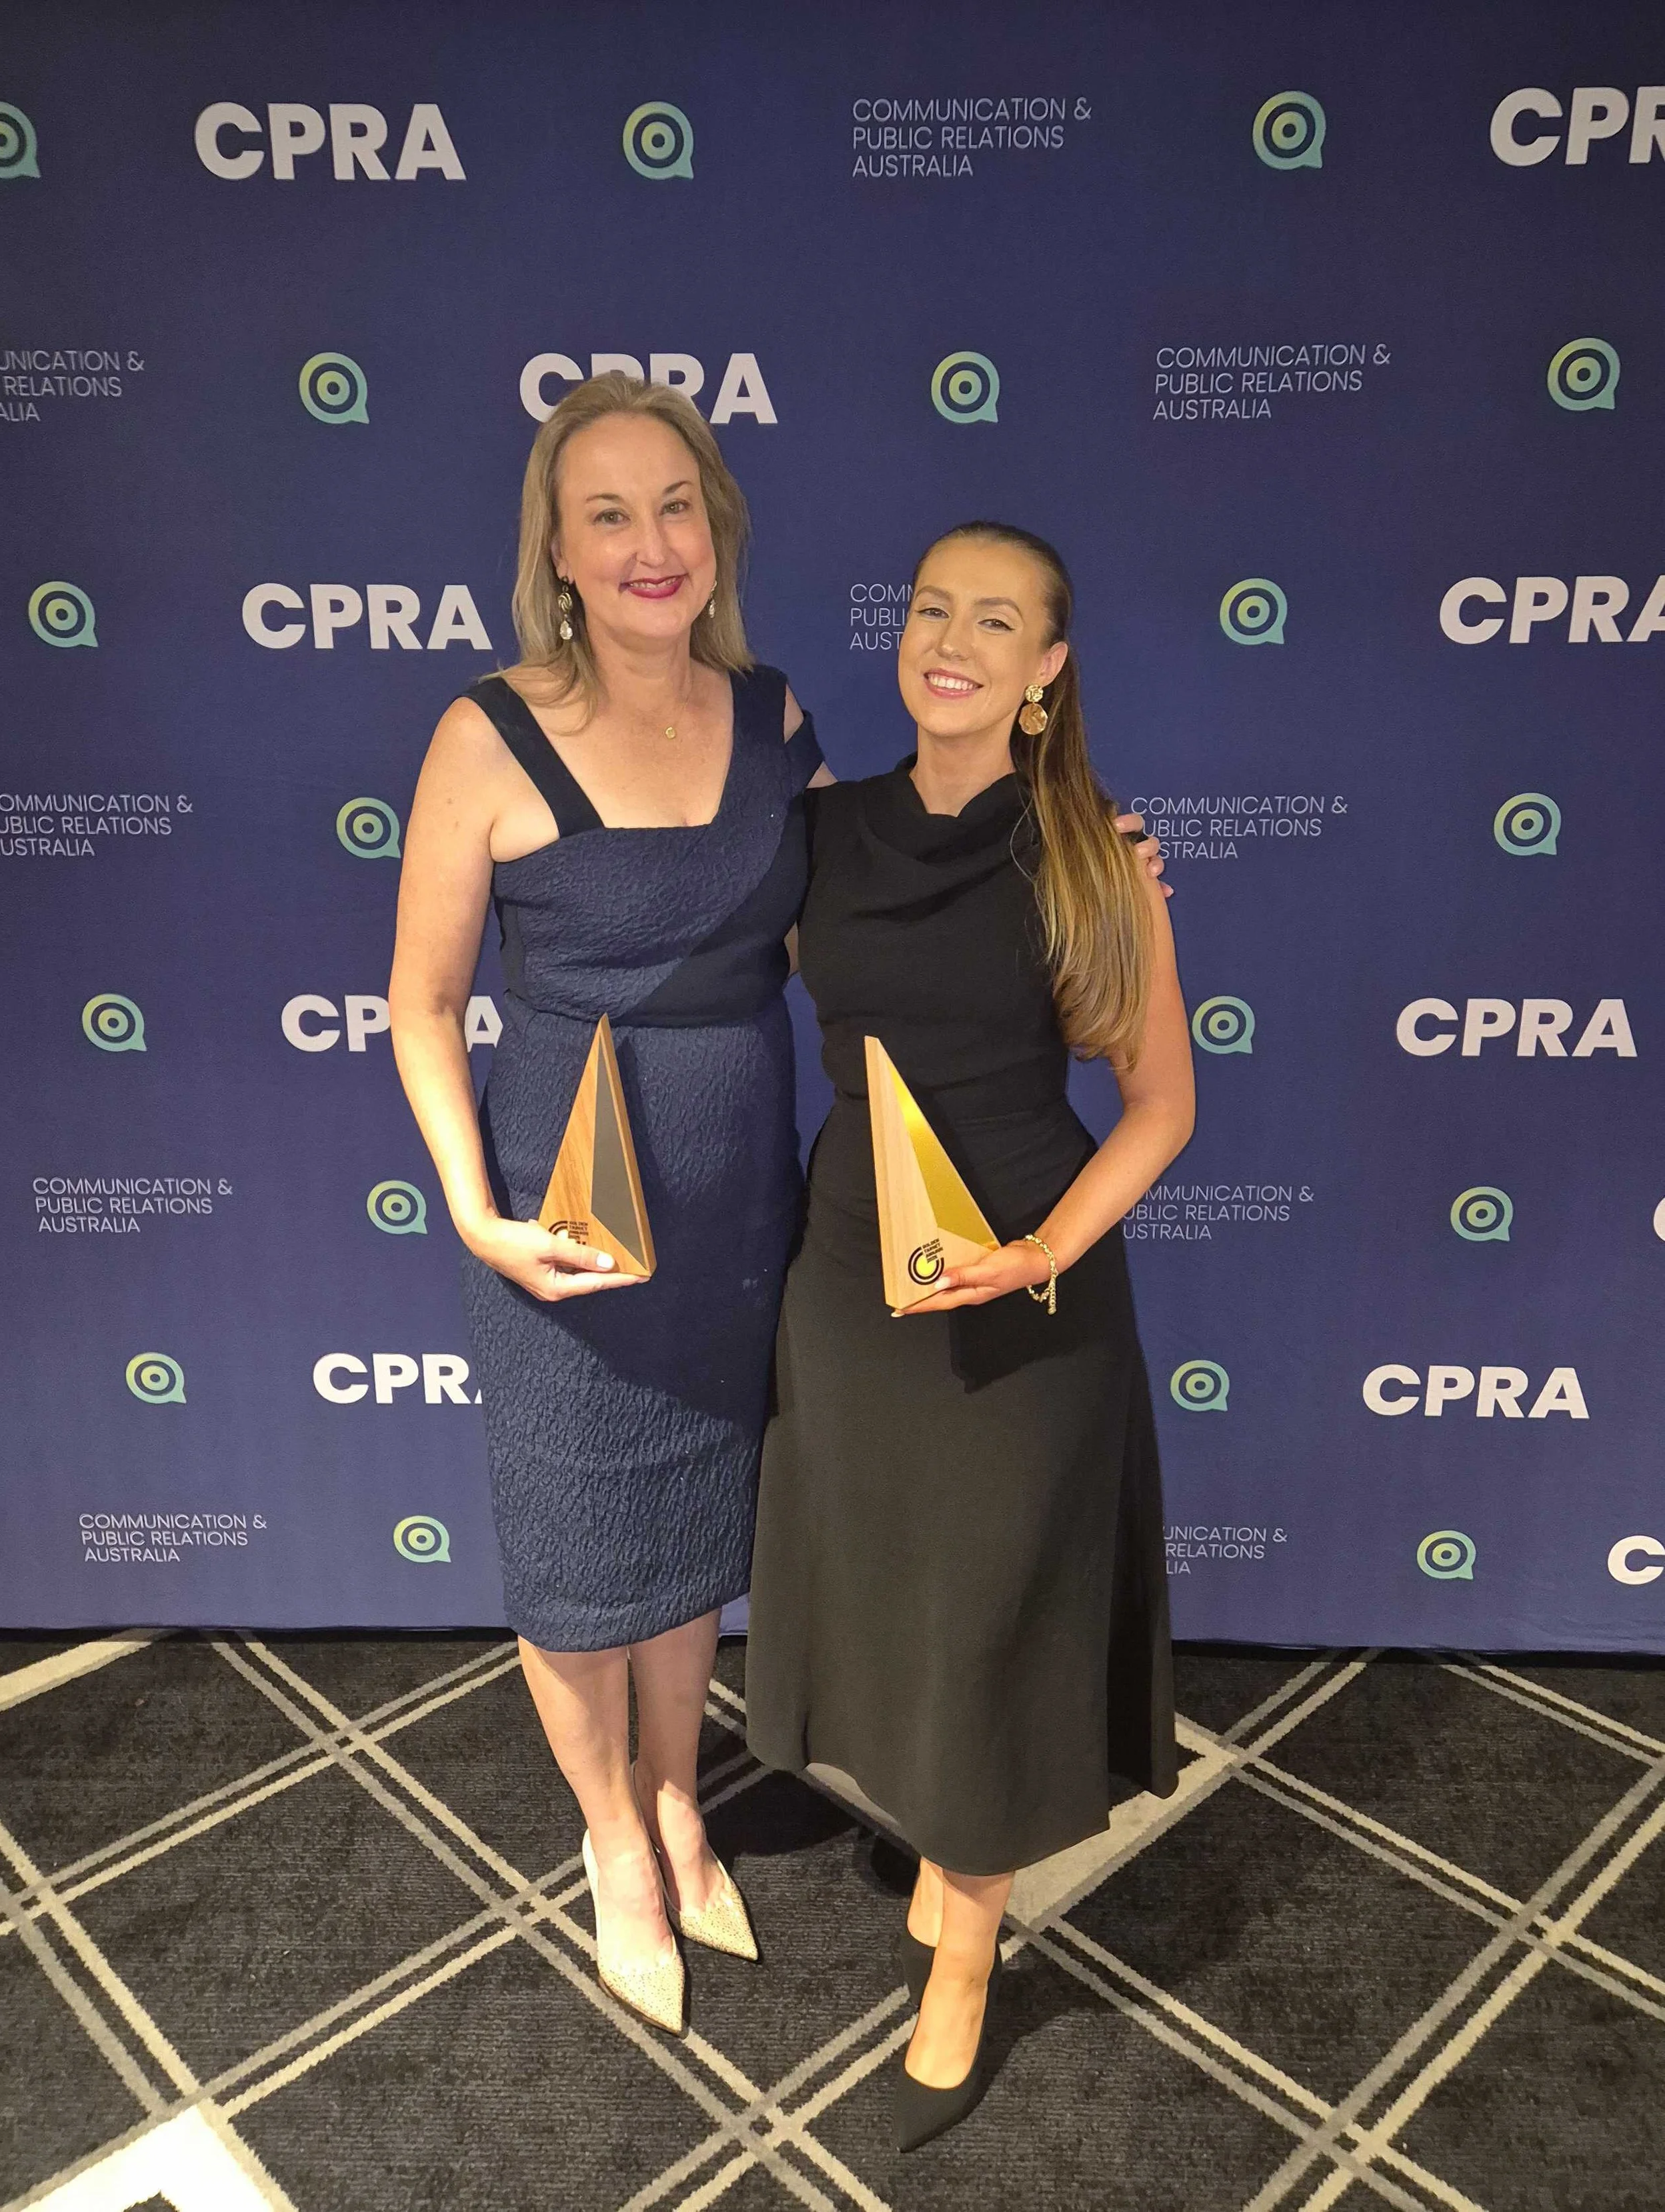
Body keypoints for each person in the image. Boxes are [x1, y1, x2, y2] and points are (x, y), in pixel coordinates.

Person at [387, 372, 829, 2035]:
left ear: (714, 528)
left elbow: (850, 936)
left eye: (675, 506)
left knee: (692, 1542)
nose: (651, 544)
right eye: (607, 515)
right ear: (556, 554)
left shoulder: (779, 722)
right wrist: (472, 1216)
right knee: (581, 1561)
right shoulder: (484, 731)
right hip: (559, 1221)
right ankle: (613, 1849)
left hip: (734, 1220)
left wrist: (1067, 860)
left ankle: (678, 1795)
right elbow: (422, 1005)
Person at [745, 521, 1194, 2149]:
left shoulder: (1088, 852)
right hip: (854, 1279)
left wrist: (1043, 1254)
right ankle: (942, 1860)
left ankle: (964, 1968)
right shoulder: (825, 832)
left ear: (1045, 668)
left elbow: (1158, 1106)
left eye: (995, 620)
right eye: (934, 608)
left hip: (1030, 1295)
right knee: (898, 1602)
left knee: (1000, 1615)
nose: (954, 640)